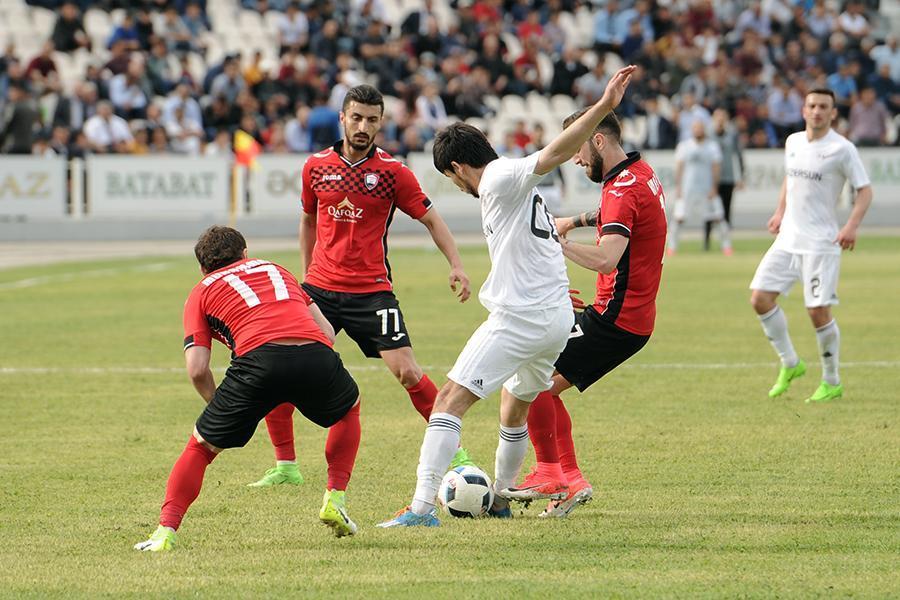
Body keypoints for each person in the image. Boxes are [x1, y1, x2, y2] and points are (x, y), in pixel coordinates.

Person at [377, 65, 637, 528]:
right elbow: (543, 240)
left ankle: (420, 509)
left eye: (452, 180)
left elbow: (554, 153)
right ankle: (499, 497)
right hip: (553, 318)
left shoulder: (499, 178)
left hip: (520, 318)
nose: (458, 187)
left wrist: (603, 106)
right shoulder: (515, 191)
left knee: (448, 402)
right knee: (515, 405)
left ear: (458, 169)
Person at [247, 84, 473, 488]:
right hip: (320, 289)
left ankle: (455, 453)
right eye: (356, 117)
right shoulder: (315, 167)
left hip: (371, 292)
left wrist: (456, 264)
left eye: (371, 119)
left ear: (381, 123)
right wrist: (307, 278)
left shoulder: (393, 172)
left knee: (407, 372)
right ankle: (286, 466)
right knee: (282, 369)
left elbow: (432, 219)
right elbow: (308, 220)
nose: (363, 126)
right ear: (343, 118)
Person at [134, 226, 363, 552]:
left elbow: (197, 368)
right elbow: (326, 332)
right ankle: (335, 497)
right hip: (314, 353)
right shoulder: (276, 269)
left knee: (200, 448)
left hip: (258, 363)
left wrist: (219, 404)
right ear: (245, 253)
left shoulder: (200, 291)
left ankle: (164, 533)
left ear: (202, 268)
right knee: (348, 409)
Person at [504, 109, 667, 518]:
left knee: (530, 383)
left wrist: (554, 244)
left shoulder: (621, 191)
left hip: (615, 318)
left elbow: (607, 259)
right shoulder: (639, 174)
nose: (574, 160)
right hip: (630, 317)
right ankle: (568, 479)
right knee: (541, 384)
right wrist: (574, 220)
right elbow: (619, 215)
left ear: (597, 140)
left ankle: (560, 476)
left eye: (576, 149)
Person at [749, 88, 872, 404]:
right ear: (803, 110)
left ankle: (831, 381)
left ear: (833, 113)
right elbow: (789, 180)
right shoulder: (793, 142)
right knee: (760, 298)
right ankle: (791, 362)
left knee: (817, 311)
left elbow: (865, 190)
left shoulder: (842, 149)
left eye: (823, 107)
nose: (817, 111)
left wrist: (851, 226)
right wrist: (780, 211)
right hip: (788, 238)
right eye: (812, 105)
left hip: (820, 243)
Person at [668, 120, 732, 256]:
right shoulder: (684, 146)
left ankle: (726, 246)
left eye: (700, 128)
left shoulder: (712, 147)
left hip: (707, 189)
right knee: (678, 218)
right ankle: (672, 247)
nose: (698, 130)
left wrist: (714, 187)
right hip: (687, 189)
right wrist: (678, 187)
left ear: (704, 130)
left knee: (719, 217)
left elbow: (716, 167)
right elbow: (679, 167)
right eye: (695, 128)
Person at [705, 108, 744, 252]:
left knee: (726, 211)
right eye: (718, 117)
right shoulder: (708, 135)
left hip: (728, 177)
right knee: (709, 211)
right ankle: (706, 242)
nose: (720, 120)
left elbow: (738, 155)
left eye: (723, 117)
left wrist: (740, 176)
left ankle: (725, 243)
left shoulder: (732, 134)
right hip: (711, 179)